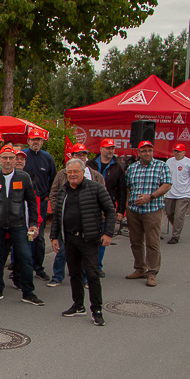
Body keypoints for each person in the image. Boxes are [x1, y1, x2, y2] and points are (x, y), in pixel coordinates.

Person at [49, 159, 115, 326]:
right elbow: (58, 215)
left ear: (83, 172)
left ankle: (97, 310)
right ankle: (78, 305)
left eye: (75, 172)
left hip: (89, 239)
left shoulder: (96, 188)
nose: (72, 175)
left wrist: (108, 234)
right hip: (69, 239)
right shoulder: (63, 190)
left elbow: (110, 210)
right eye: (69, 172)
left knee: (92, 275)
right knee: (75, 274)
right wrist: (54, 236)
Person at [0, 146, 43, 305]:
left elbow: (32, 202)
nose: (8, 161)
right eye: (5, 158)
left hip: (18, 224)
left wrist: (33, 223)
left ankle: (28, 292)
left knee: (26, 258)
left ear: (16, 160)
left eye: (11, 158)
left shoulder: (24, 177)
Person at [47, 143, 106, 286]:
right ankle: (57, 277)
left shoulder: (95, 175)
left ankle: (86, 278)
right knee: (61, 250)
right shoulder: (62, 174)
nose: (81, 157)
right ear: (71, 156)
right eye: (78, 154)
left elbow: (104, 198)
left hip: (88, 221)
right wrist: (57, 210)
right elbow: (54, 193)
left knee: (87, 252)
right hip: (66, 220)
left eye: (84, 154)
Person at [124, 140, 172, 287]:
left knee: (153, 243)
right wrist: (127, 206)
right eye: (144, 151)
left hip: (152, 210)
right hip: (134, 210)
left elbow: (167, 185)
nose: (147, 153)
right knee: (136, 242)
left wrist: (150, 197)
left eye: (149, 151)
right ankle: (140, 269)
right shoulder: (132, 168)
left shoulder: (161, 166)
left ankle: (152, 273)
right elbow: (128, 187)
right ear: (138, 153)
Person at [86, 139, 128, 276]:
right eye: (108, 148)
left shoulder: (118, 167)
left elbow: (122, 190)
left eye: (112, 148)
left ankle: (97, 266)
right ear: (101, 149)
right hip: (89, 205)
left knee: (103, 235)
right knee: (88, 237)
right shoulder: (90, 164)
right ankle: (85, 265)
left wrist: (121, 210)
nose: (110, 151)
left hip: (107, 205)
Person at [22, 130, 56, 281]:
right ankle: (20, 266)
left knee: (39, 236)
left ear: (42, 142)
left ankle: (39, 267)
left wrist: (48, 194)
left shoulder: (47, 158)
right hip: (22, 202)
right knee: (22, 234)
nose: (36, 142)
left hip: (40, 202)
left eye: (39, 140)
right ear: (28, 141)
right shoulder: (22, 156)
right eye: (33, 140)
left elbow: (54, 179)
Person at [164, 143, 190, 244]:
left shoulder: (189, 163)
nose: (176, 153)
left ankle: (175, 236)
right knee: (169, 213)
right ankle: (177, 227)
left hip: (184, 193)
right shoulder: (169, 161)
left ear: (184, 152)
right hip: (170, 192)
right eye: (175, 151)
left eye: (178, 151)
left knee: (179, 215)